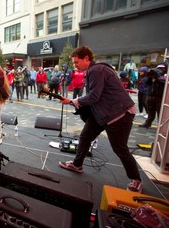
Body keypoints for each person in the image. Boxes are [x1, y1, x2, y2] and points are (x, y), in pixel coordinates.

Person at [58, 46, 143, 193]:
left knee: (120, 148)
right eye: (73, 63)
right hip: (103, 113)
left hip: (119, 114)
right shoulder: (94, 70)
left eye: (77, 62)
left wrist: (72, 101)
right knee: (85, 137)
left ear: (86, 58)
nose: (75, 66)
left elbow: (94, 96)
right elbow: (96, 96)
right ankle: (77, 165)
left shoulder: (97, 70)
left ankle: (136, 180)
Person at [139, 63, 167, 128]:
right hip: (150, 96)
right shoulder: (151, 76)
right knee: (150, 111)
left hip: (160, 97)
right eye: (159, 68)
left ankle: (160, 126)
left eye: (162, 68)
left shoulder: (165, 76)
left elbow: (164, 83)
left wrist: (157, 79)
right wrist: (150, 77)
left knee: (160, 113)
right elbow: (145, 82)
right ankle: (148, 123)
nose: (160, 69)